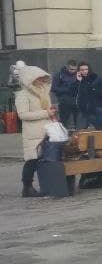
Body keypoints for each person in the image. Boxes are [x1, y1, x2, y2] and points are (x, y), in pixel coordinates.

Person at [15, 65, 57, 198]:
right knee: (31, 161)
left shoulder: (44, 92)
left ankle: (49, 185)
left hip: (47, 130)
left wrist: (52, 115)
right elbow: (23, 115)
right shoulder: (22, 95)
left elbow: (48, 110)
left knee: (47, 160)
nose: (42, 81)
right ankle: (27, 187)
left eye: (43, 78)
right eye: (39, 79)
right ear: (30, 80)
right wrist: (46, 113)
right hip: (33, 133)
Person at [51, 59, 82, 129]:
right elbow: (53, 88)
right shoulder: (59, 75)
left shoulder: (79, 74)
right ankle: (63, 137)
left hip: (77, 101)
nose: (73, 71)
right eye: (71, 69)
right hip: (64, 102)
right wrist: (67, 90)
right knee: (64, 122)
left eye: (75, 69)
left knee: (79, 123)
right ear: (66, 67)